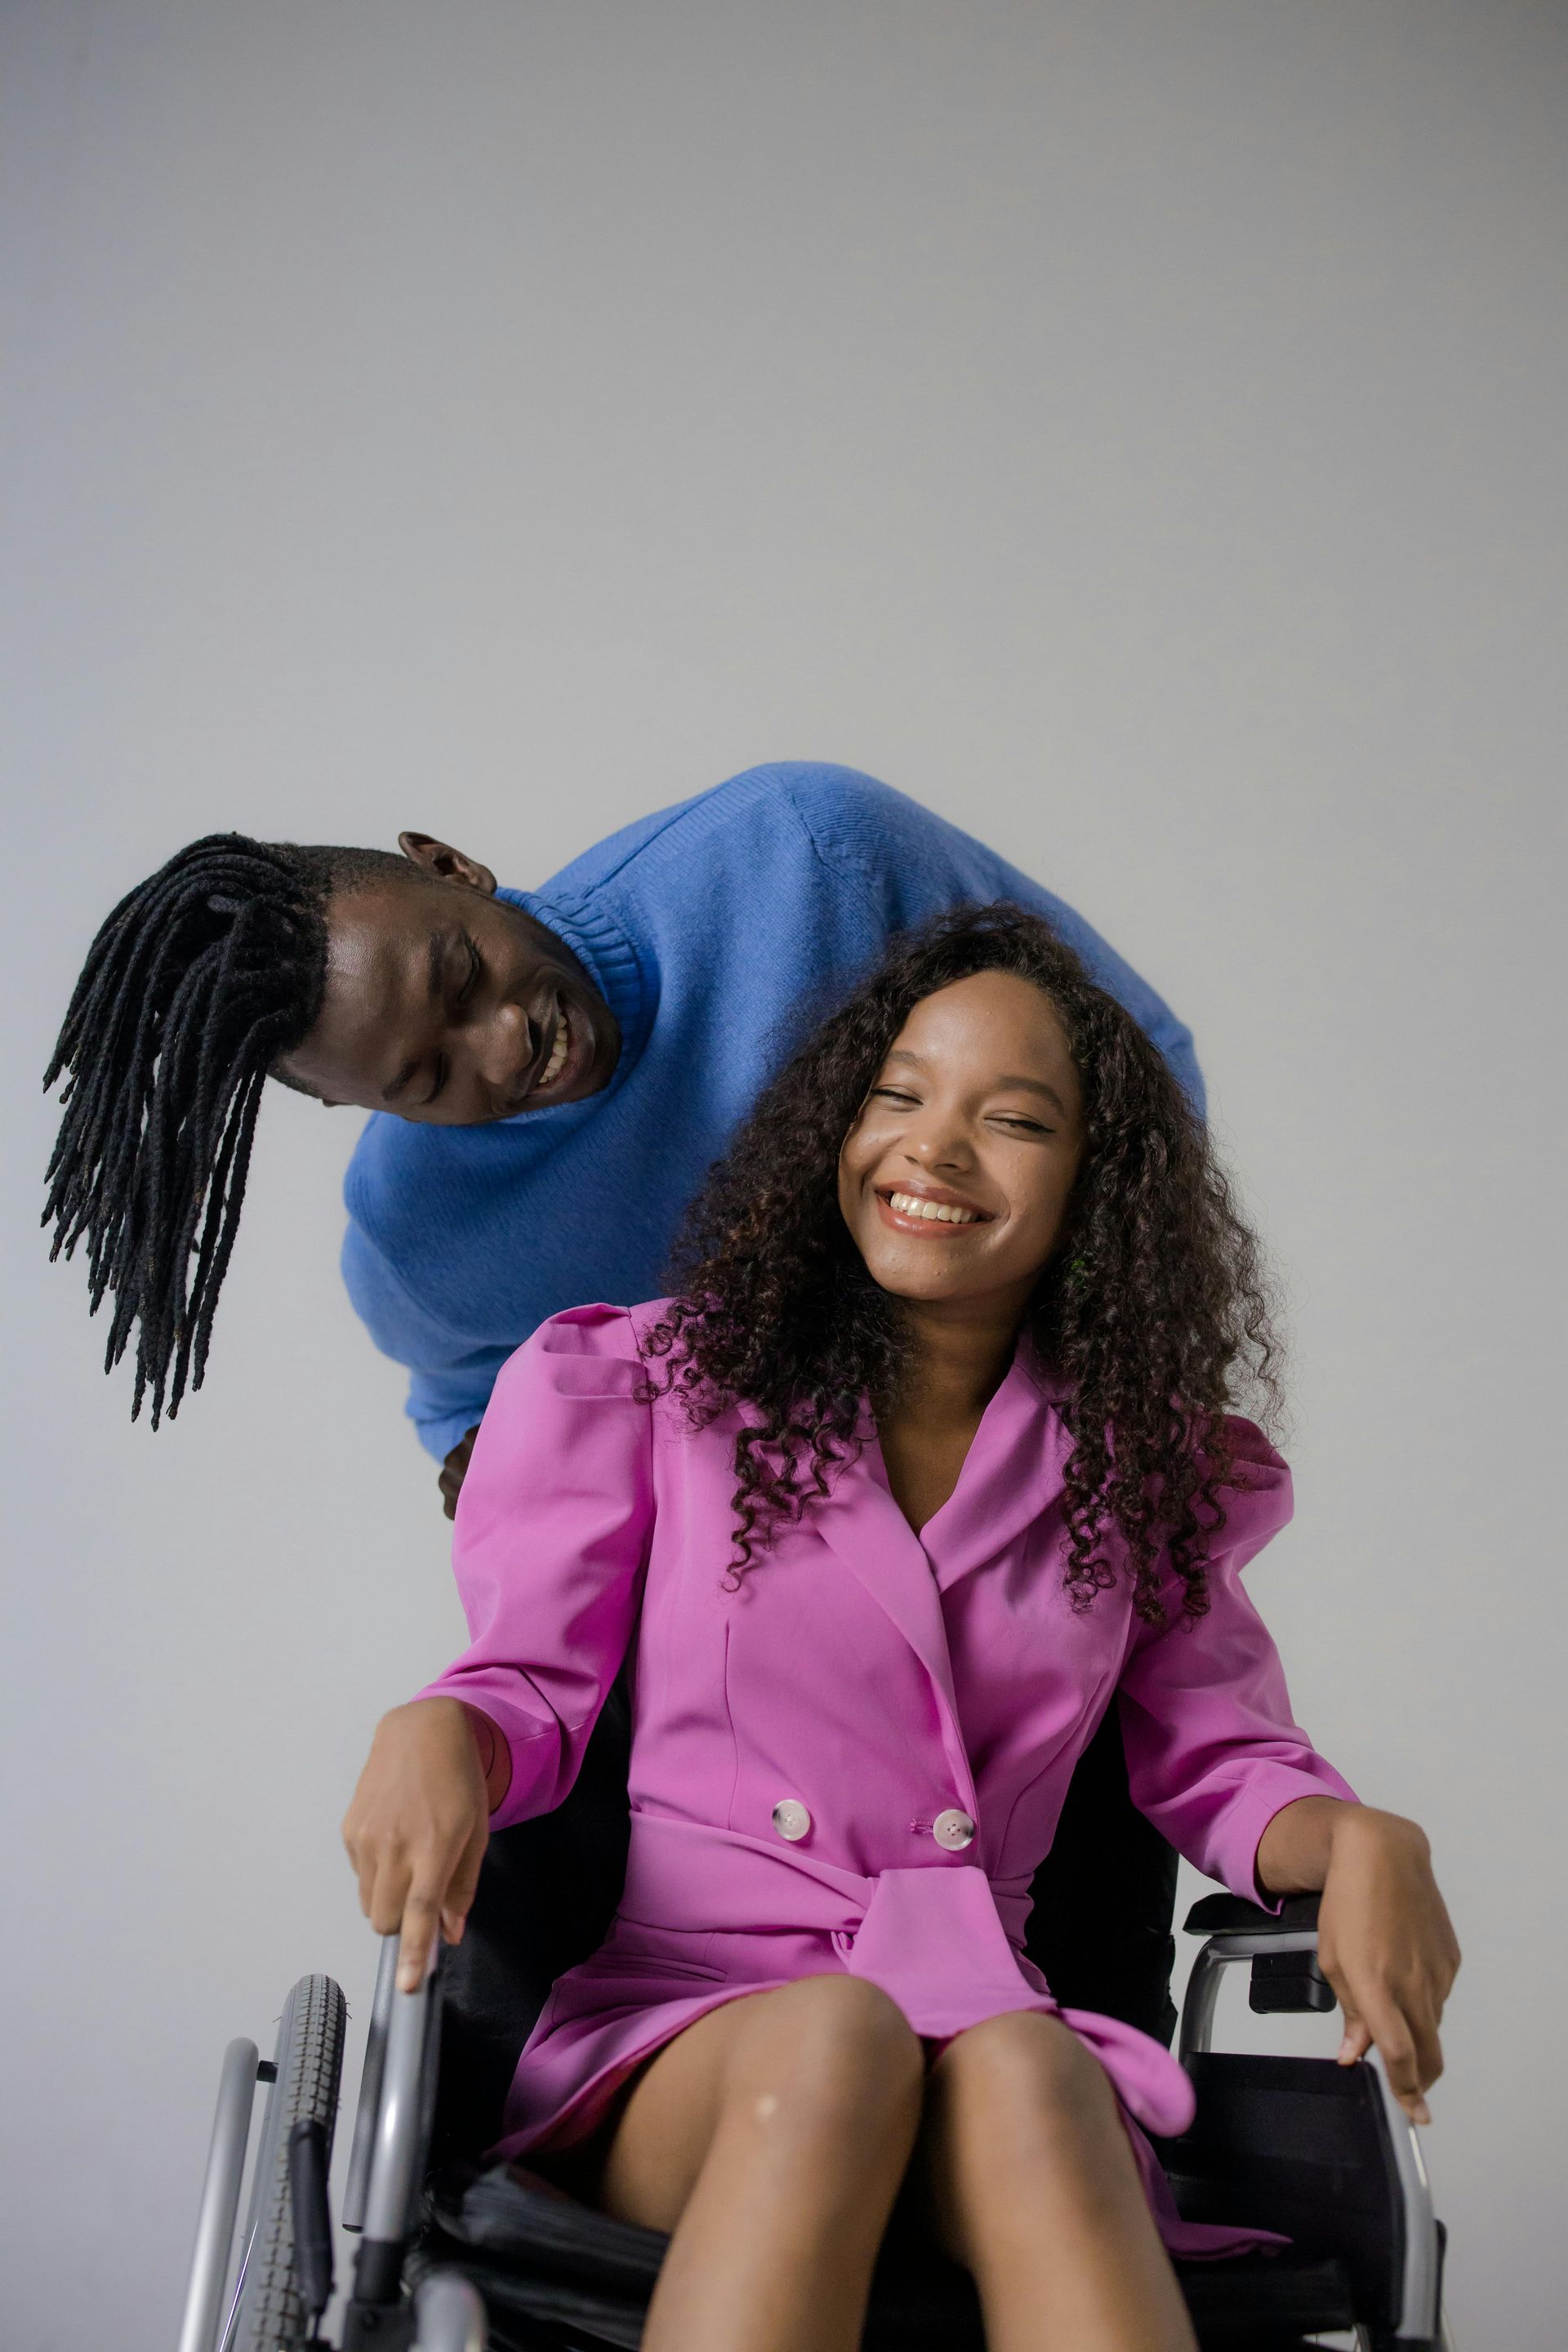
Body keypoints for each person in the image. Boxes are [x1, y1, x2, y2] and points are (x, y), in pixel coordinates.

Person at [342, 905, 1459, 2352]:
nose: (932, 1149)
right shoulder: (657, 1386)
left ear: (1093, 1186)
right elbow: (529, 1693)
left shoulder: (1139, 1466)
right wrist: (440, 1723)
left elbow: (1227, 1762)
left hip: (989, 2006)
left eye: (1012, 1120)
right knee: (837, 2039)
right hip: (692, 2023)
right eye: (897, 1095)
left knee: (1041, 2073)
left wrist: (1366, 1837)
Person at [42, 761, 1199, 1515]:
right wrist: (498, 1475)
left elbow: (1132, 1056)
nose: (505, 1048)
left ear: (451, 864)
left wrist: (1057, 1395)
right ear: (354, 1108)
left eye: (463, 974)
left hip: (1035, 1499)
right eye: (429, 1075)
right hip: (754, 1651)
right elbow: (470, 1418)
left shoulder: (805, 854)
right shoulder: (416, 1243)